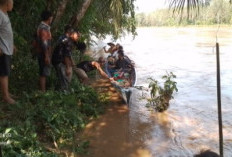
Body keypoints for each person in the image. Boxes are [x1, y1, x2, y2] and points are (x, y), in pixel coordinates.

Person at [0, 0, 15, 104]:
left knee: (5, 72)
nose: (12, 5)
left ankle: (7, 93)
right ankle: (5, 97)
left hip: (7, 48)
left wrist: (12, 44)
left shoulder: (5, 14)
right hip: (3, 49)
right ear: (7, 4)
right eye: (12, 3)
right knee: (3, 73)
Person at [36, 10, 53, 92]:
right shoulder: (44, 28)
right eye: (51, 17)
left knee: (43, 72)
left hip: (42, 52)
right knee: (43, 73)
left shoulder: (43, 27)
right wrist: (46, 55)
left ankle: (43, 90)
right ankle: (43, 91)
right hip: (43, 53)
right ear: (49, 18)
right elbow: (44, 42)